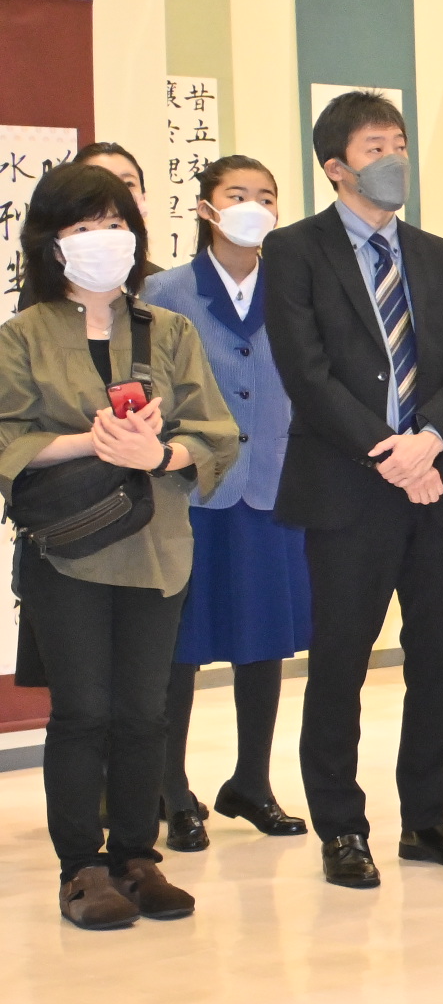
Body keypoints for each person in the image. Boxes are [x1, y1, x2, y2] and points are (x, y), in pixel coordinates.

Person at [260, 90, 443, 890]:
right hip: (346, 490)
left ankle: (428, 818)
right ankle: (342, 826)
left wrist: (428, 439)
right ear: (336, 167)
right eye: (374, 147)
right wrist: (386, 451)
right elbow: (307, 373)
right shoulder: (295, 251)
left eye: (398, 142)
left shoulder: (442, 256)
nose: (393, 157)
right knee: (340, 666)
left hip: (435, 486)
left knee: (438, 661)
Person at [0, 163, 236, 929]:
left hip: (158, 546)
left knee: (144, 712)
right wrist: (92, 442)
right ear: (52, 242)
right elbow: (7, 436)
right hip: (69, 552)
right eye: (82, 226)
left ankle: (137, 857)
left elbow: (215, 434)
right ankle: (82, 869)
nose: (102, 238)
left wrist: (158, 455)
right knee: (83, 713)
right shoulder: (23, 335)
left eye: (114, 223)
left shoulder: (168, 330)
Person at [142, 155, 313, 849]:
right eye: (237, 194)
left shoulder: (295, 287)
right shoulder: (165, 291)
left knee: (264, 640)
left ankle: (251, 782)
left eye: (266, 196)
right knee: (179, 647)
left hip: (273, 484)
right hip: (190, 491)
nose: (254, 207)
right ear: (207, 208)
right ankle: (171, 788)